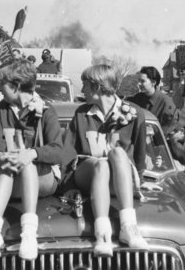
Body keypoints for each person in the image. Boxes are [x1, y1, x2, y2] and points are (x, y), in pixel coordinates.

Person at [0, 58, 63, 261]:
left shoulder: (46, 110)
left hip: (44, 178)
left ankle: (28, 234)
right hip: (10, 178)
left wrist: (32, 153)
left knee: (26, 164)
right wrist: (0, 154)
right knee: (5, 165)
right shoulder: (1, 110)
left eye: (2, 86)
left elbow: (58, 150)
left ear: (16, 86)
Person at [63, 64, 148, 257]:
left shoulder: (135, 113)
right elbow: (68, 151)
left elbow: (140, 154)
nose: (82, 90)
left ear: (96, 87)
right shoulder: (81, 114)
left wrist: (140, 182)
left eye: (84, 85)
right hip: (89, 174)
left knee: (118, 153)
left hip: (121, 178)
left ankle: (129, 226)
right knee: (101, 163)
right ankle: (102, 234)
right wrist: (66, 184)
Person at [127, 66, 176, 133]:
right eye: (139, 80)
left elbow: (167, 131)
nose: (139, 84)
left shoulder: (166, 103)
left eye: (143, 81)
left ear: (153, 82)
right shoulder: (137, 99)